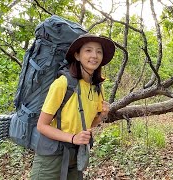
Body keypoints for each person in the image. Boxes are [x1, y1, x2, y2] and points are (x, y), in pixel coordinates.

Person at [30, 33, 116, 180]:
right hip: (51, 156)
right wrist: (73, 138)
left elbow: (88, 123)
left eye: (99, 51)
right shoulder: (63, 83)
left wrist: (102, 116)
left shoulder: (97, 88)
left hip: (76, 154)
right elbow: (42, 126)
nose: (94, 55)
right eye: (88, 50)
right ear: (77, 55)